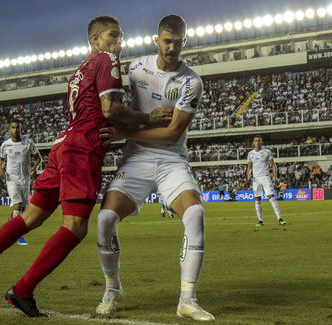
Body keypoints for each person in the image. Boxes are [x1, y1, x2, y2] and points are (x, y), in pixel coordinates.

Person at [0, 16, 170, 318]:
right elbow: (110, 109)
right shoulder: (107, 60)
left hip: (62, 146)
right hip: (82, 149)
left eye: (121, 37)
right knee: (75, 227)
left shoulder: (78, 71)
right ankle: (23, 289)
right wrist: (148, 118)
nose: (119, 42)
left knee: (30, 216)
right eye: (113, 36)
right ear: (96, 39)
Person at [95, 14, 215, 321]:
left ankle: (187, 300)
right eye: (167, 41)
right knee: (106, 219)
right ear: (156, 40)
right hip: (135, 158)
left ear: (184, 42)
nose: (172, 47)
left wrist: (125, 133)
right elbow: (120, 109)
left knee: (196, 214)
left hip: (171, 158)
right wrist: (133, 123)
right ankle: (112, 289)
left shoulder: (192, 81)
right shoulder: (136, 69)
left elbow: (173, 133)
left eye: (177, 42)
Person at [0, 119, 42, 245]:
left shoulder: (28, 143)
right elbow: (1, 159)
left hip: (25, 179)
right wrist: (0, 171)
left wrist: (33, 168)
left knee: (22, 209)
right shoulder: (5, 145)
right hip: (11, 179)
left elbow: (38, 158)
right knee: (17, 205)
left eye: (17, 127)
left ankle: (12, 219)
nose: (15, 130)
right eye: (13, 127)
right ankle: (18, 236)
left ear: (21, 129)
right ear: (9, 129)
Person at [246, 135, 286, 227]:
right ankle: (260, 220)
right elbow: (249, 166)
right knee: (257, 199)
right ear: (253, 143)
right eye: (256, 141)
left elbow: (273, 165)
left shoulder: (267, 152)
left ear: (262, 142)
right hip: (255, 179)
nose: (257, 142)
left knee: (271, 197)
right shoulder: (250, 154)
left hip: (265, 177)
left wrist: (274, 177)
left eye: (259, 140)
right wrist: (248, 174)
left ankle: (280, 218)